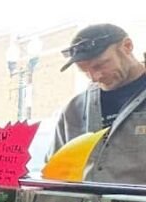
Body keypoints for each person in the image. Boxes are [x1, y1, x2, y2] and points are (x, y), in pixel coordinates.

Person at [51, 24, 146, 183]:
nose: (94, 77)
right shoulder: (73, 110)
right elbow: (55, 175)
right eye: (85, 71)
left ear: (127, 46)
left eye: (100, 65)